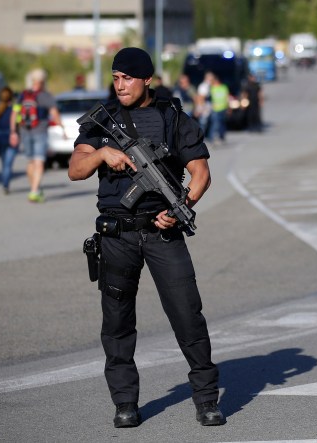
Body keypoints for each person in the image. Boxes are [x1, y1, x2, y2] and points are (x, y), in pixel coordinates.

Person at [68, 47, 224, 428]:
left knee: (188, 317)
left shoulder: (172, 118)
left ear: (146, 79)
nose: (120, 85)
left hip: (161, 234)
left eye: (128, 78)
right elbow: (75, 169)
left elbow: (200, 174)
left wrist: (178, 208)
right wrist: (104, 154)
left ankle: (206, 399)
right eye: (115, 78)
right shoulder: (101, 122)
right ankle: (125, 404)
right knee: (117, 323)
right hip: (117, 235)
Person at [9, 68, 64, 203]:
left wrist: (13, 131)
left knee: (30, 161)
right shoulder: (46, 96)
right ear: (43, 81)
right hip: (40, 132)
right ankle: (34, 191)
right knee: (39, 162)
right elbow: (54, 114)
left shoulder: (22, 95)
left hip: (24, 131)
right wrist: (62, 128)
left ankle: (34, 188)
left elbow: (15, 113)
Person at [208, 73, 229, 144]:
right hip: (215, 109)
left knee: (222, 124)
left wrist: (228, 107)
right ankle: (211, 138)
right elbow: (209, 98)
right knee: (215, 124)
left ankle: (222, 136)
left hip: (223, 108)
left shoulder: (224, 87)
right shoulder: (212, 88)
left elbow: (227, 97)